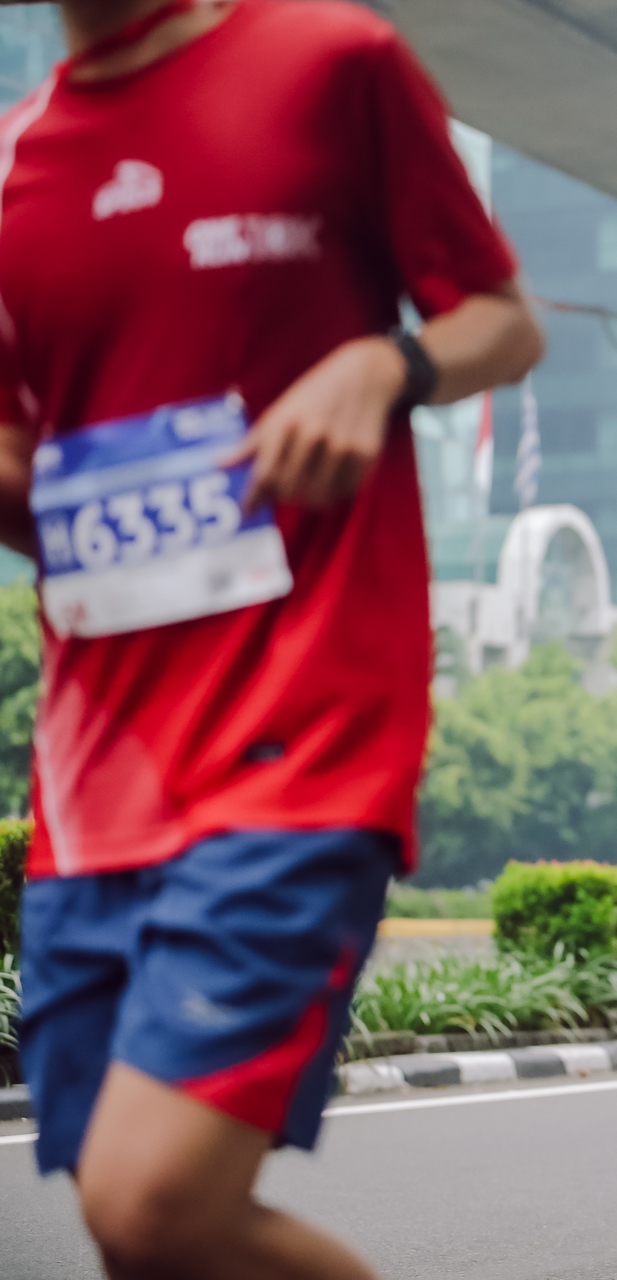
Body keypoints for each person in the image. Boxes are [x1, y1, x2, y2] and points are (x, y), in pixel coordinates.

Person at [4, 4, 542, 1278]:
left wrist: (387, 363)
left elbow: (503, 320)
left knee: (153, 1202)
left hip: (303, 744)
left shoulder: (328, 64)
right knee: (143, 1234)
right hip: (94, 783)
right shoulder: (17, 167)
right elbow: (31, 477)